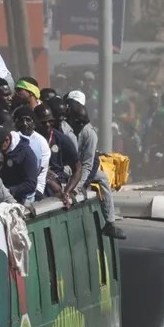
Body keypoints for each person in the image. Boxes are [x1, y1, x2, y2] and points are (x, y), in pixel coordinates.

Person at [67, 101, 126, 239]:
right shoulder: (66, 128)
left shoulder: (89, 134)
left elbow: (87, 165)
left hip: (78, 170)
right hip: (66, 168)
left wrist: (77, 186)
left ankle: (110, 222)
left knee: (103, 178)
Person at [34, 104, 82, 206]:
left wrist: (67, 191)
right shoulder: (29, 140)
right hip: (36, 180)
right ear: (35, 122)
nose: (47, 125)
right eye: (43, 122)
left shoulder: (62, 139)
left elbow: (78, 169)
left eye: (50, 121)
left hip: (57, 182)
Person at [0, 125, 39, 203]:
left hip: (18, 198)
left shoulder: (26, 154)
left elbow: (31, 184)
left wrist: (10, 190)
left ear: (7, 140)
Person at [13, 105, 51, 199]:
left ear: (34, 123)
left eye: (28, 120)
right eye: (21, 120)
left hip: (35, 188)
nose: (24, 124)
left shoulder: (41, 142)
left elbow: (36, 171)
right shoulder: (13, 138)